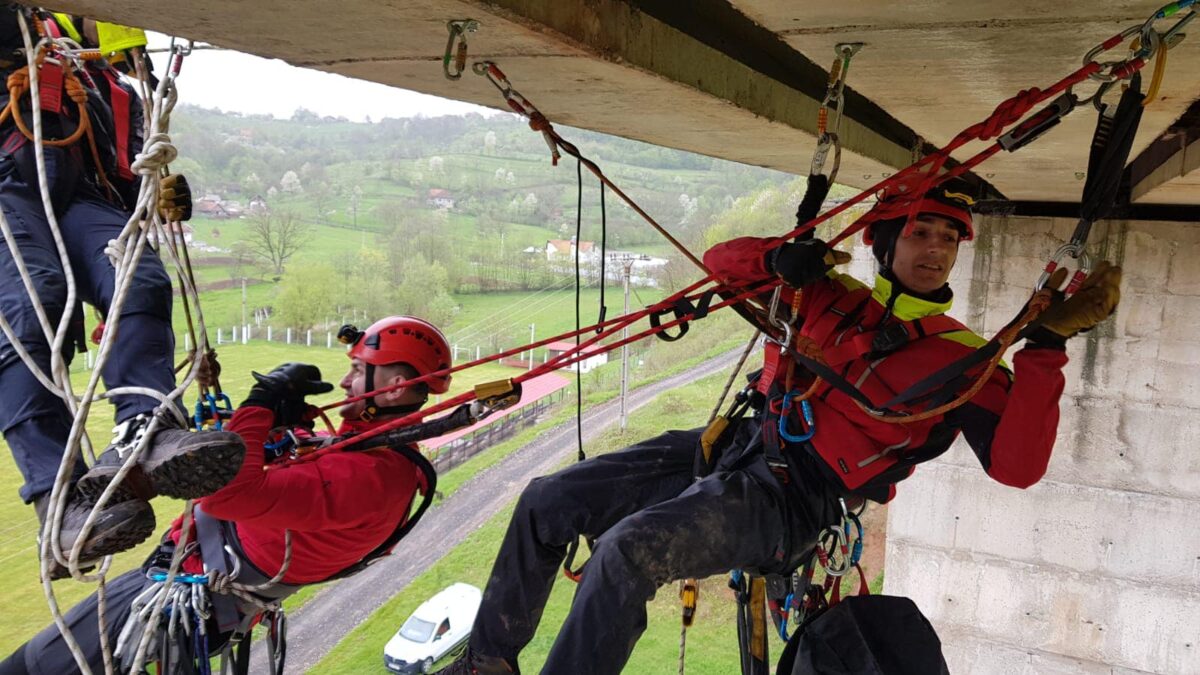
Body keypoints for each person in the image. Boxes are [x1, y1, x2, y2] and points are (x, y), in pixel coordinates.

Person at [434, 184, 1123, 675]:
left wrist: (1044, 349)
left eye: (947, 238)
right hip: (731, 445)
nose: (937, 249)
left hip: (792, 497)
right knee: (546, 499)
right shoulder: (824, 294)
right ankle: (488, 660)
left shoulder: (963, 359)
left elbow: (1017, 463)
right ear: (884, 240)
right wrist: (778, 260)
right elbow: (721, 263)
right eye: (921, 232)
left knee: (626, 554)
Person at [0, 315, 453, 675]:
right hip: (188, 589)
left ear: (398, 385)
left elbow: (226, 496)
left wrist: (259, 405)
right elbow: (276, 471)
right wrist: (282, 421)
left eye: (357, 371)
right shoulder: (367, 452)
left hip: (180, 601)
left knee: (26, 668)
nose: (345, 383)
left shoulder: (374, 476)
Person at [0, 8, 239, 575]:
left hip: (83, 198)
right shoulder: (28, 29)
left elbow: (127, 165)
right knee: (34, 305)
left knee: (140, 275)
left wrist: (157, 189)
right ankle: (56, 503)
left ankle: (146, 428)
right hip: (8, 189)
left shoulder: (114, 83)